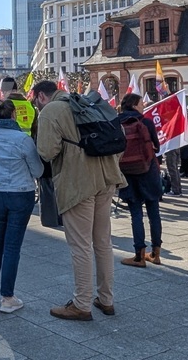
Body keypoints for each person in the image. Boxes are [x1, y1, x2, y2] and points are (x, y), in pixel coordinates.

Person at [35, 80, 125, 321]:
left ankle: (81, 303)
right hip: (107, 178)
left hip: (79, 183)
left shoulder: (51, 111)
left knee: (81, 245)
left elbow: (47, 151)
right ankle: (106, 299)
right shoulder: (86, 102)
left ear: (41, 97)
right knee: (103, 243)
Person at [0, 99, 44, 313]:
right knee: (12, 246)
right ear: (14, 115)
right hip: (19, 193)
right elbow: (37, 170)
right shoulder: (23, 139)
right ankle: (7, 297)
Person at [115, 94, 164, 267]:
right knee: (154, 213)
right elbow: (157, 146)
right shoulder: (146, 122)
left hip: (127, 173)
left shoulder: (116, 122)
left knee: (136, 214)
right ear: (134, 105)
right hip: (148, 170)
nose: (143, 106)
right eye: (141, 103)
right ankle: (156, 253)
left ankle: (139, 256)